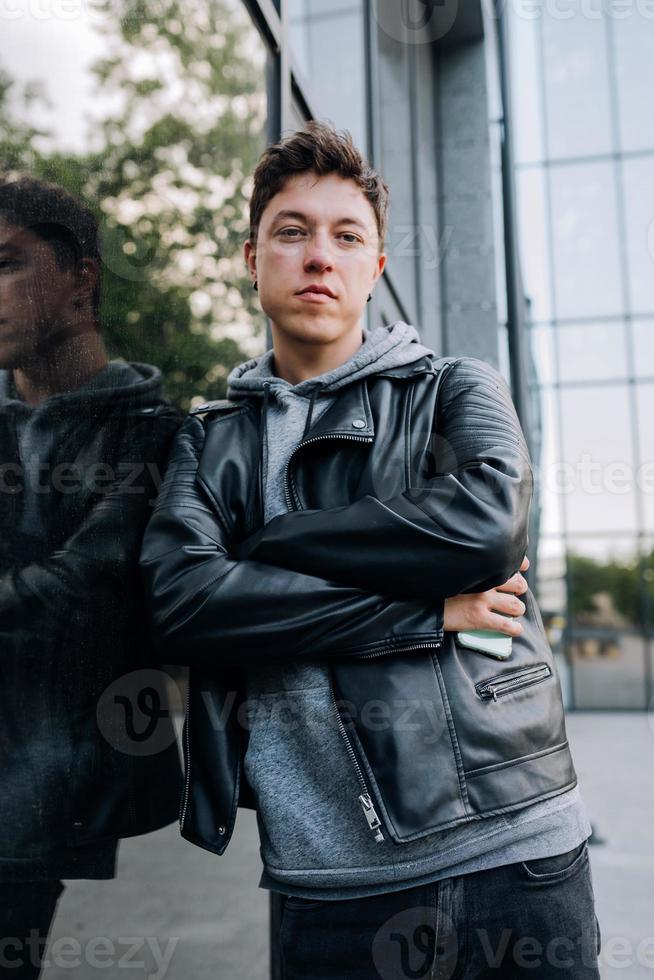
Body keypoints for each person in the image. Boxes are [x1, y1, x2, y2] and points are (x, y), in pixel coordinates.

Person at [140, 123, 601, 978]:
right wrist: (425, 606)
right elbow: (183, 607)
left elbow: (490, 526)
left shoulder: (456, 388)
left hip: (515, 848)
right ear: (252, 258)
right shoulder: (206, 445)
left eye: (347, 237)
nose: (320, 255)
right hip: (327, 881)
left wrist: (267, 545)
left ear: (376, 268)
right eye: (292, 232)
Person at [0, 176, 182, 978]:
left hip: (36, 797)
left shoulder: (154, 433)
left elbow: (85, 590)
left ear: (82, 278)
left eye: (6, 263)